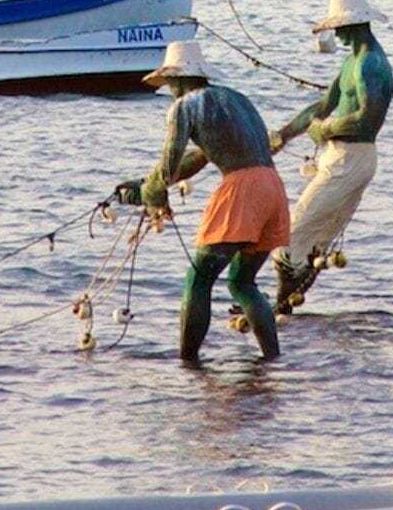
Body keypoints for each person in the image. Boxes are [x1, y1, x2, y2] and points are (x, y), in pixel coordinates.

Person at [118, 38, 287, 365]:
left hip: (242, 188)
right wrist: (147, 182)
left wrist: (148, 190)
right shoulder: (236, 99)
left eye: (169, 83)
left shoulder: (185, 106)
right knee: (242, 282)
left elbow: (169, 165)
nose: (168, 90)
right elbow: (199, 159)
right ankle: (273, 361)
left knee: (198, 279)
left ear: (178, 79)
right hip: (272, 187)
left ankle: (188, 361)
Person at [270, 0, 393, 313]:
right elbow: (323, 106)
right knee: (316, 238)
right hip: (342, 158)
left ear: (353, 25)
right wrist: (283, 136)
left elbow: (368, 119)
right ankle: (285, 310)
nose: (336, 35)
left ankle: (277, 313)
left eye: (338, 28)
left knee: (293, 231)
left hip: (352, 159)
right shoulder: (352, 63)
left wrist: (324, 130)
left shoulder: (370, 64)